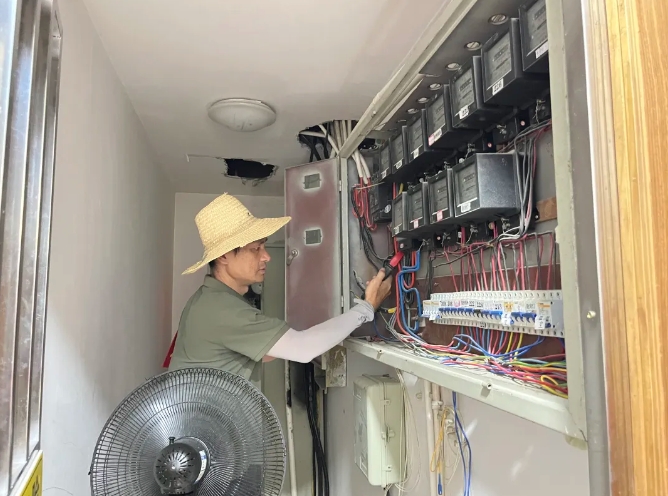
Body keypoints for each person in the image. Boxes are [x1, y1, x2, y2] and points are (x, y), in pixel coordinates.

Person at [168, 193, 393, 383]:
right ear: (224, 256)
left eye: (264, 247)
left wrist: (298, 336)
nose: (266, 256)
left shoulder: (209, 300)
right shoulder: (221, 309)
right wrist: (366, 308)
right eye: (256, 249)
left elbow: (266, 353)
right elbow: (303, 349)